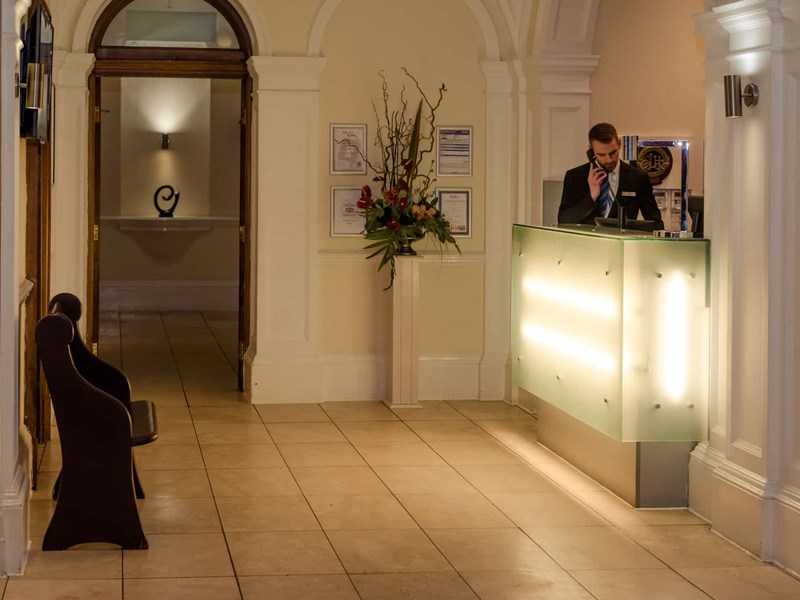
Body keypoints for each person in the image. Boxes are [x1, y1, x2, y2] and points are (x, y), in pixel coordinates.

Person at [558, 122, 664, 230]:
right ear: (591, 150)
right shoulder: (575, 177)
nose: (609, 160)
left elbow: (656, 223)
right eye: (602, 155)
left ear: (619, 144)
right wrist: (591, 197)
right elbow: (563, 220)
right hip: (585, 244)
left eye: (613, 153)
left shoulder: (637, 177)